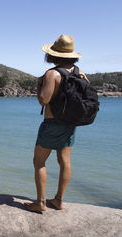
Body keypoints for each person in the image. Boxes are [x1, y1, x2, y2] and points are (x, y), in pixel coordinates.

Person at [24, 35, 89, 213]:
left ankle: (40, 203)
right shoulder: (79, 73)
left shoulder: (52, 74)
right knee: (65, 161)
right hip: (70, 123)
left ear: (53, 55)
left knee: (38, 162)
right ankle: (59, 200)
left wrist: (39, 85)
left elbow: (43, 100)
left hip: (52, 123)